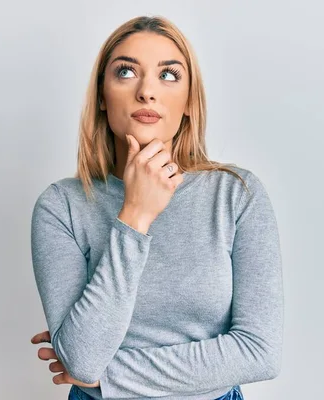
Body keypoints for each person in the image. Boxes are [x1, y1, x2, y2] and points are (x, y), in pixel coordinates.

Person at [29, 15, 283, 400]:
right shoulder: (62, 206)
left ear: (188, 103)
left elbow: (259, 352)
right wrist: (136, 214)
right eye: (127, 71)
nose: (147, 91)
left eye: (168, 75)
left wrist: (105, 376)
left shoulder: (236, 195)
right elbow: (81, 361)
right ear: (101, 95)